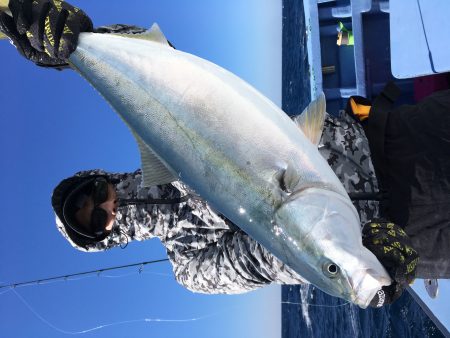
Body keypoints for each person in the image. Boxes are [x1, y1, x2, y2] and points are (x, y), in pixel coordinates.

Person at [1, 0, 433, 307]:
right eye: (96, 222)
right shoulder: (190, 263)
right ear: (109, 239)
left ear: (104, 176)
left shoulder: (159, 131)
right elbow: (274, 258)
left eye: (95, 192)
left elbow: (170, 70)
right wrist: (367, 262)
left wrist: (75, 44)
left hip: (393, 133)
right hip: (400, 229)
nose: (108, 207)